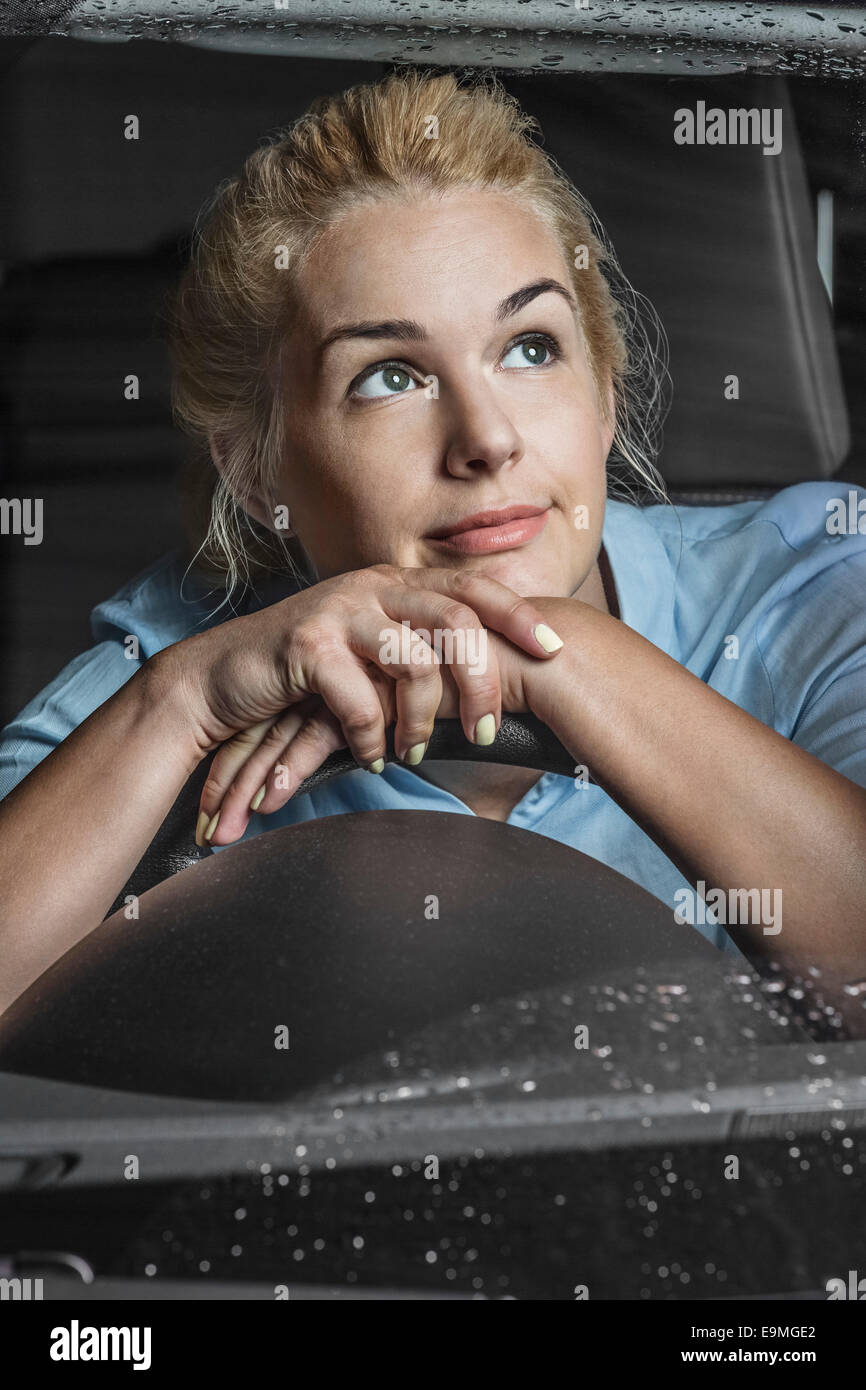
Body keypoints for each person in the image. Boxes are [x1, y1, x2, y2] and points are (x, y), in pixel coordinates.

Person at [0, 68, 864, 1023]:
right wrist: (184, 703)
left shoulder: (813, 584)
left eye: (531, 349)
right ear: (256, 474)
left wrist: (569, 663)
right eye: (389, 377)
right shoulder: (184, 664)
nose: (486, 439)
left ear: (605, 396)